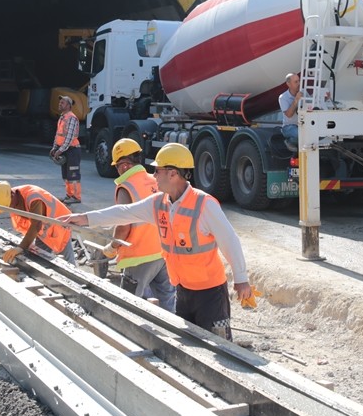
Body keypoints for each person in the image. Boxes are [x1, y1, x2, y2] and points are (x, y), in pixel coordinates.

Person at [64, 143, 252, 340]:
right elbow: (124, 213)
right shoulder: (159, 203)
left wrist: (241, 279)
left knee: (220, 348)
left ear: (173, 174)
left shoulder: (204, 204)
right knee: (190, 348)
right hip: (184, 291)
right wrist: (84, 218)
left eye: (157, 170)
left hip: (210, 294)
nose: (153, 176)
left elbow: (230, 240)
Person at [101, 138, 176, 311]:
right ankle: (170, 336)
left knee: (128, 305)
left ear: (124, 165)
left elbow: (123, 225)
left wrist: (113, 247)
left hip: (139, 255)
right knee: (167, 303)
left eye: (117, 166)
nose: (118, 171)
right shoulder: (155, 180)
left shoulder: (126, 187)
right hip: (164, 251)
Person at [0, 181, 76, 265]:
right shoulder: (4, 199)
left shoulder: (33, 198)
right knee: (40, 257)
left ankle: (77, 282)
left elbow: (36, 225)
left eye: (8, 206)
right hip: (43, 229)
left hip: (60, 224)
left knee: (67, 263)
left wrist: (20, 248)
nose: (8, 209)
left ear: (12, 195)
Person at [52, 95, 82, 204]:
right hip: (65, 149)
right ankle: (69, 195)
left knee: (73, 174)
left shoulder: (71, 118)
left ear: (69, 105)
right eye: (60, 102)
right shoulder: (62, 118)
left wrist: (60, 150)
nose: (60, 104)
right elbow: (58, 134)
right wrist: (55, 147)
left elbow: (69, 137)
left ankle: (76, 197)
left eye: (62, 103)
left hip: (72, 150)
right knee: (66, 175)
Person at [279, 72, 301, 149]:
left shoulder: (303, 93)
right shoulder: (283, 97)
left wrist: (325, 98)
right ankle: (289, 142)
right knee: (300, 135)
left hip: (302, 125)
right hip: (289, 126)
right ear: (288, 84)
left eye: (299, 81)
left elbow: (312, 106)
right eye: (296, 82)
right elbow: (289, 114)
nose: (299, 83)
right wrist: (296, 100)